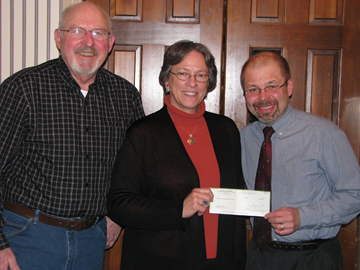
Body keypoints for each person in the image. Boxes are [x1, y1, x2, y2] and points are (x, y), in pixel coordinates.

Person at [0, 2, 144, 270]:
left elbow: (136, 169)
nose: (88, 42)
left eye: (98, 33)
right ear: (59, 37)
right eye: (77, 30)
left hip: (93, 240)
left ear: (110, 42)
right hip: (27, 237)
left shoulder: (125, 96)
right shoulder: (23, 89)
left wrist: (118, 215)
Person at [107, 40, 247, 270]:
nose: (192, 82)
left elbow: (235, 198)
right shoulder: (143, 132)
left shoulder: (226, 130)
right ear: (166, 80)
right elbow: (119, 204)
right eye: (183, 73)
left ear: (209, 82)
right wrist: (178, 209)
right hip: (161, 261)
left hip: (220, 262)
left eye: (201, 75)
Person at [240, 51, 360, 270]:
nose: (262, 97)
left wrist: (303, 216)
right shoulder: (244, 138)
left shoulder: (324, 134)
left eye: (272, 86)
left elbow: (355, 195)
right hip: (259, 257)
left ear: (290, 87)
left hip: (312, 258)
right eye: (253, 89)